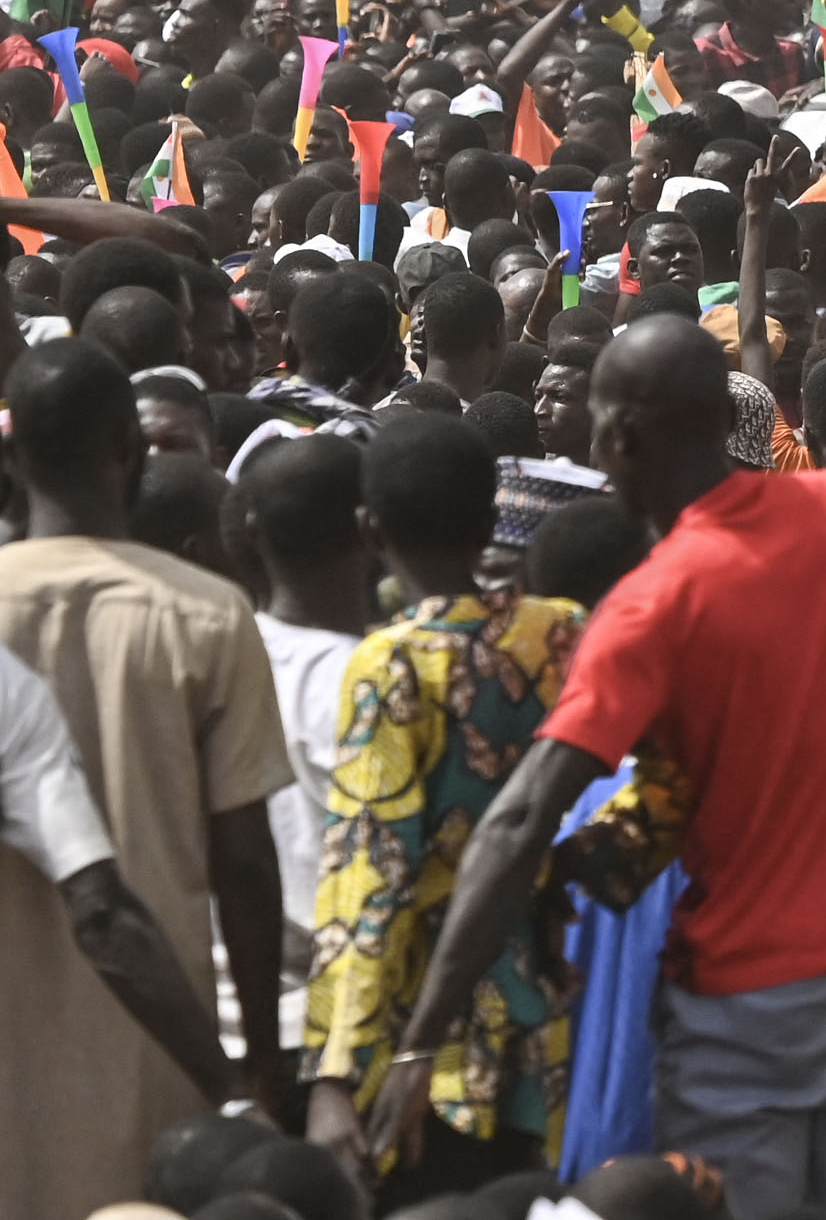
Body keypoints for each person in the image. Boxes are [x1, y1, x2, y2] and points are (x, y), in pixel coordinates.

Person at [356, 315, 826, 1218]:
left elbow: (520, 818)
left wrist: (419, 1040)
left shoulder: (652, 608)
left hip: (749, 1012)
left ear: (621, 435)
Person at [0, 342, 289, 1220]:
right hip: (156, 1053)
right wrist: (260, 1066)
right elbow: (243, 860)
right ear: (130, 449)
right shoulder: (208, 613)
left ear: (13, 461)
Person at [298, 412, 589, 1194]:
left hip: (420, 1056)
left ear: (368, 530)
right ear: (491, 522)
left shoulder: (391, 663)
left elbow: (370, 869)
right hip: (543, 1026)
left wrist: (334, 1073)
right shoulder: (560, 634)